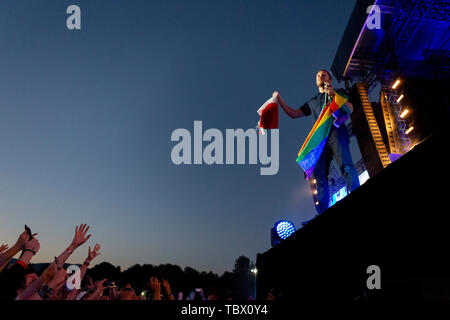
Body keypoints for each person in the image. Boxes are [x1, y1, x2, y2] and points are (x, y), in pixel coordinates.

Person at [274, 70, 360, 214]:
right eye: (318, 75)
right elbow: (294, 114)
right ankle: (322, 210)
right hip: (319, 139)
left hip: (335, 132)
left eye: (324, 75)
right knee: (317, 174)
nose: (321, 76)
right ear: (316, 81)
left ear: (330, 79)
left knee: (346, 165)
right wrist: (280, 101)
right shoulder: (312, 102)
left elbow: (349, 108)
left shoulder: (338, 91)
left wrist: (333, 94)